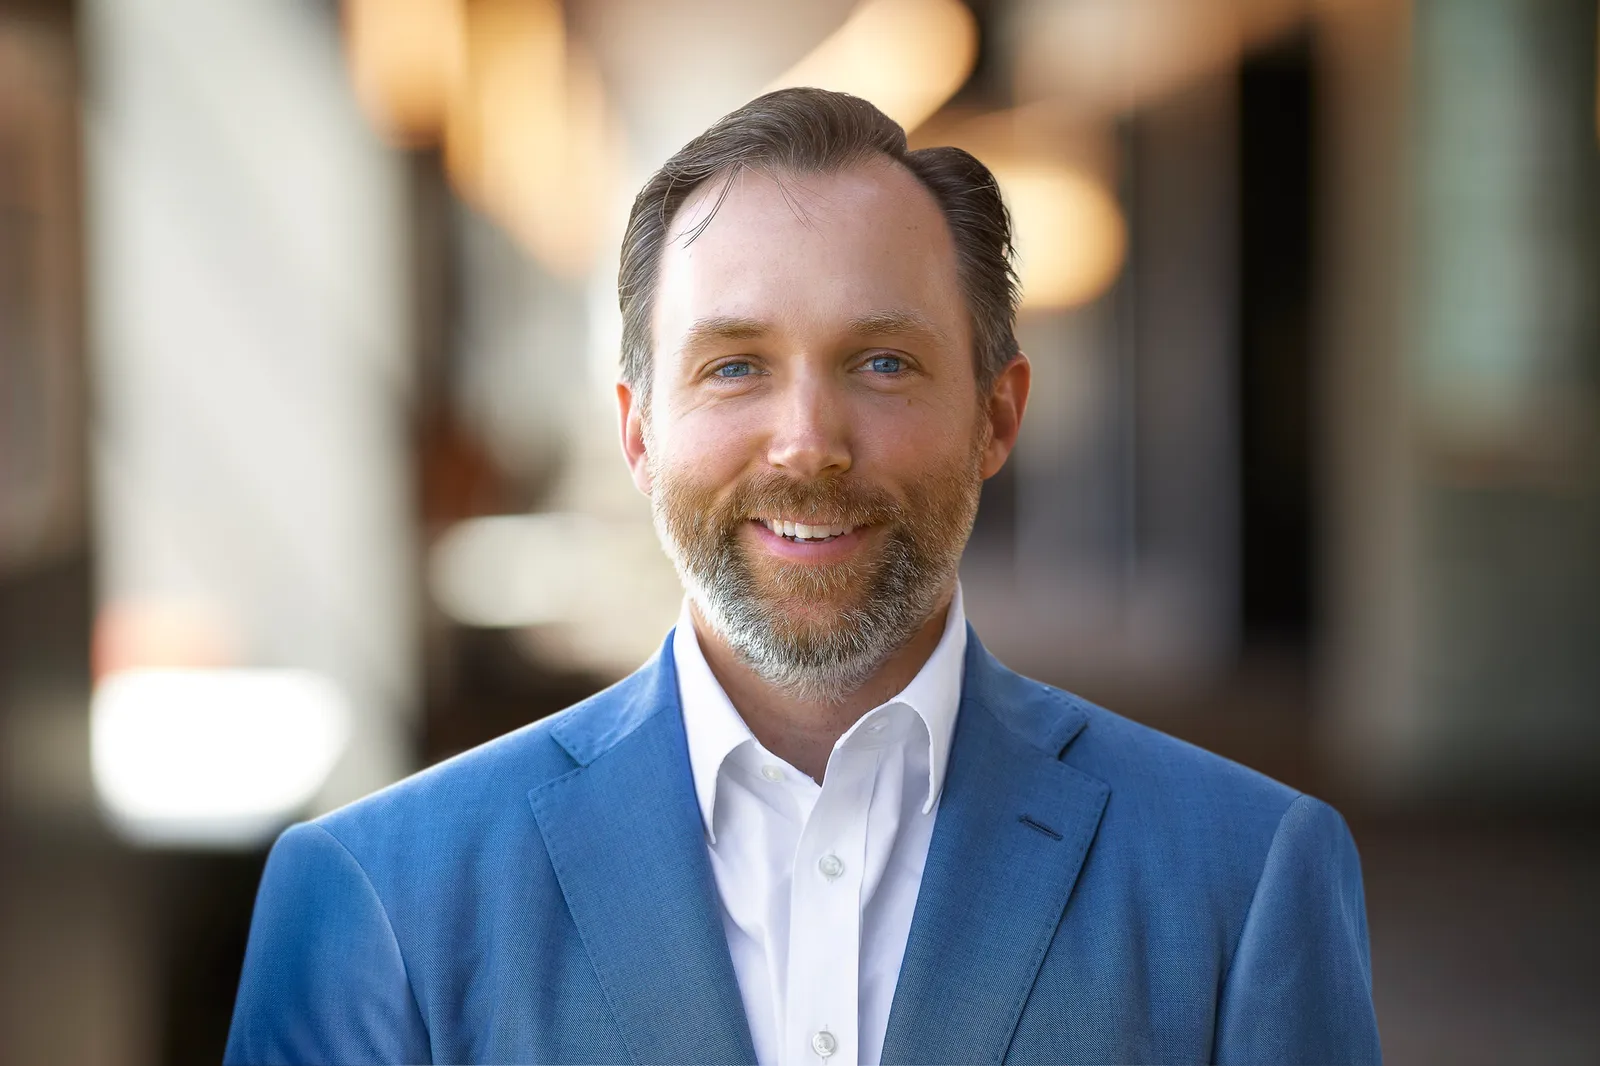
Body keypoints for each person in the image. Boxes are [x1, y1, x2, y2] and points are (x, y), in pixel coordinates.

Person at [225, 88, 1381, 1065]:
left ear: (996, 414)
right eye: (734, 366)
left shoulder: (1244, 882)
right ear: (637, 434)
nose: (807, 443)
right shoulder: (372, 900)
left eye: (882, 362)